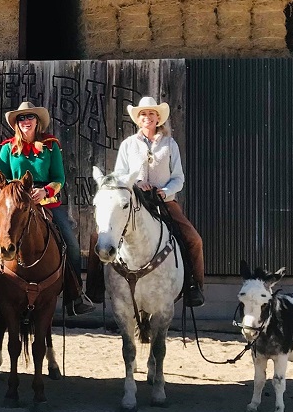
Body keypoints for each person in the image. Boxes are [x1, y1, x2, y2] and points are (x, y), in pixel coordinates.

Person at [0, 101, 95, 316]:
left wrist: (46, 191)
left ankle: (75, 295)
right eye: (21, 118)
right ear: (16, 124)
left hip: (44, 200)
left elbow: (59, 177)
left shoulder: (51, 145)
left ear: (37, 122)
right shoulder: (7, 148)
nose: (26, 121)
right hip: (15, 201)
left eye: (30, 117)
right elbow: (2, 180)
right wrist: (15, 194)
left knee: (71, 243)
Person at [86, 96, 205, 307]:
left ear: (158, 118)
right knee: (98, 235)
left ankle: (194, 287)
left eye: (151, 113)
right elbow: (120, 174)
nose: (147, 117)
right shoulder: (128, 144)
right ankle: (94, 288)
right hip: (134, 202)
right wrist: (137, 183)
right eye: (143, 114)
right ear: (137, 119)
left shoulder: (170, 144)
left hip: (163, 202)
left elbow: (179, 177)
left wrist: (165, 191)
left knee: (193, 239)